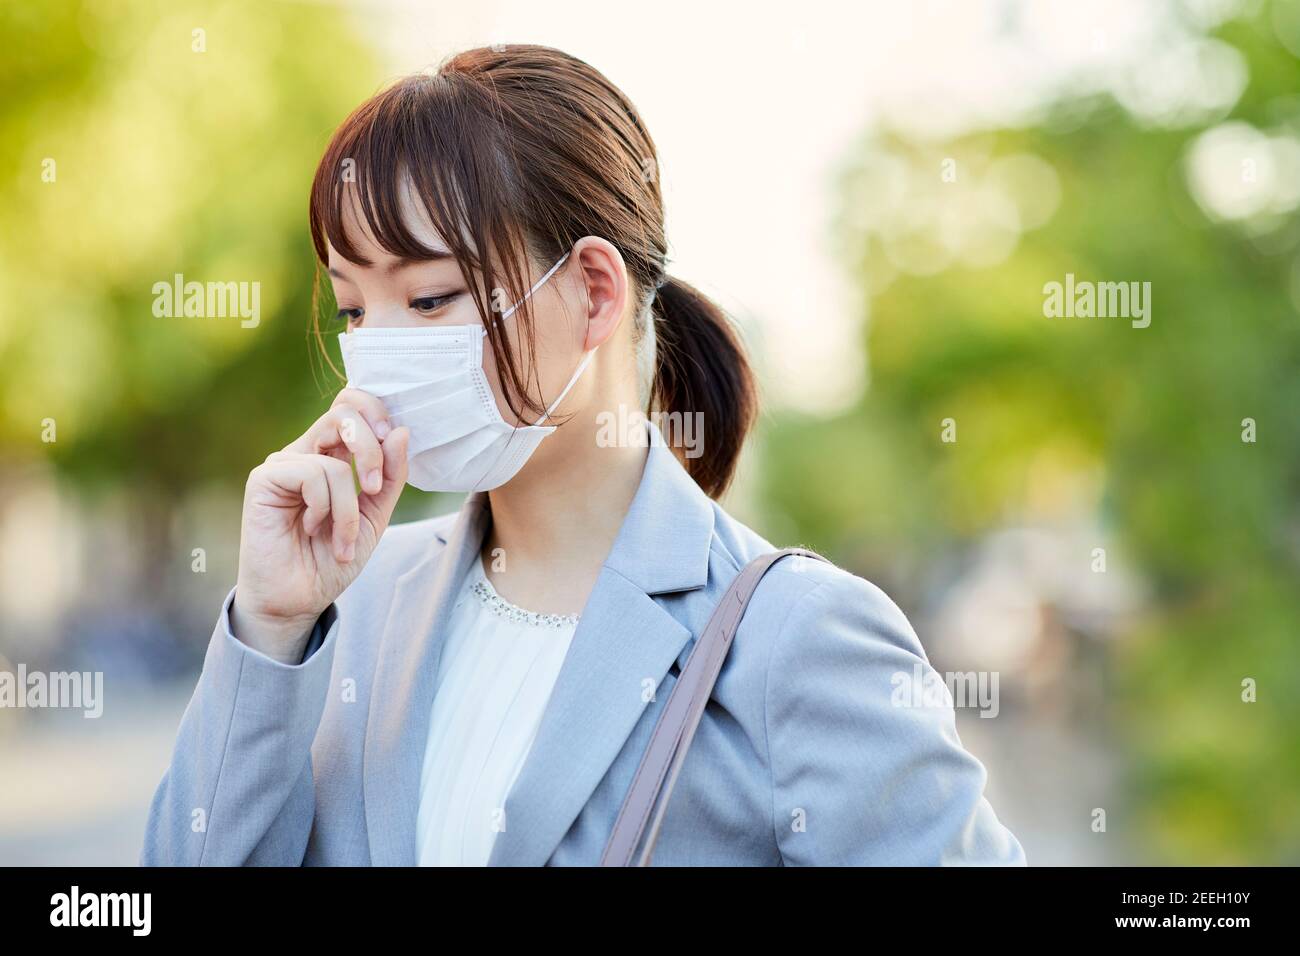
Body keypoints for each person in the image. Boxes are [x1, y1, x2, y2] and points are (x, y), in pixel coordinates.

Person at [141, 44, 1025, 866]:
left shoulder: (799, 638)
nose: (379, 350)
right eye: (352, 309)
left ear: (594, 293)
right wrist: (269, 622)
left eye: (431, 296)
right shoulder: (353, 603)